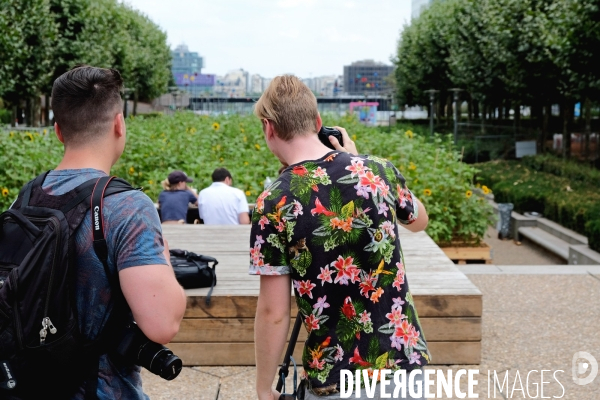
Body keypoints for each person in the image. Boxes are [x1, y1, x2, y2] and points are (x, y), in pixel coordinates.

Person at [249, 76, 431, 400]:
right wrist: (359, 160)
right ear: (318, 122)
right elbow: (419, 220)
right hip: (403, 363)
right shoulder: (377, 171)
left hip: (335, 379)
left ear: (268, 127)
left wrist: (264, 388)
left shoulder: (273, 202)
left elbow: (273, 313)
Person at [47, 66, 186, 399]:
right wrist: (162, 257)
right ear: (119, 124)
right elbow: (162, 324)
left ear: (58, 131)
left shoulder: (28, 196)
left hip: (31, 381)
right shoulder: (127, 207)